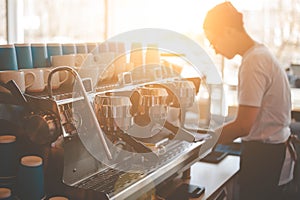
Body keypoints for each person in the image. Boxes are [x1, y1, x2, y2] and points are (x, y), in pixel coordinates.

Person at [203, 2, 295, 200]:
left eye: (214, 41)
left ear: (228, 31)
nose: (215, 49)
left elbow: (243, 125)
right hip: (272, 152)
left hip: (265, 157)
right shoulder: (259, 54)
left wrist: (205, 140)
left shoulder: (254, 61)